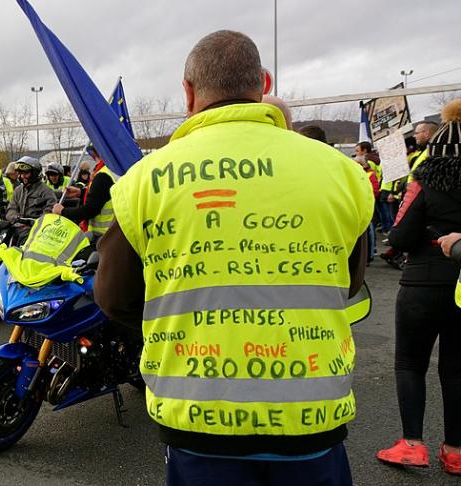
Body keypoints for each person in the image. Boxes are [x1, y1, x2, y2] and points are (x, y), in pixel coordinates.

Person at [94, 30, 373, 484]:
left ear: (188, 92)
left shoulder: (143, 181)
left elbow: (114, 297)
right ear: (264, 82)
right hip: (312, 418)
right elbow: (349, 281)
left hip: (198, 418)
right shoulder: (341, 171)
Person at [378, 100, 461, 475]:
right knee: (457, 368)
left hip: (422, 281)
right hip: (460, 284)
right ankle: (455, 449)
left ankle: (412, 444)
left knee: (410, 363)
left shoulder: (424, 181)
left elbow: (400, 233)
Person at [54, 147, 118, 239]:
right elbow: (103, 195)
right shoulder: (111, 171)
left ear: (93, 152)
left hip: (102, 237)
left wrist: (63, 211)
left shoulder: (102, 175)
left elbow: (89, 210)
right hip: (112, 234)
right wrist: (81, 192)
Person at [5, 156, 55, 224]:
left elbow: (50, 212)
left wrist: (33, 222)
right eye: (21, 173)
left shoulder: (46, 191)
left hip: (37, 230)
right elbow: (11, 209)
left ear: (35, 173)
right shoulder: (18, 190)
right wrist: (16, 218)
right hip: (18, 228)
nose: (22, 176)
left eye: (26, 173)